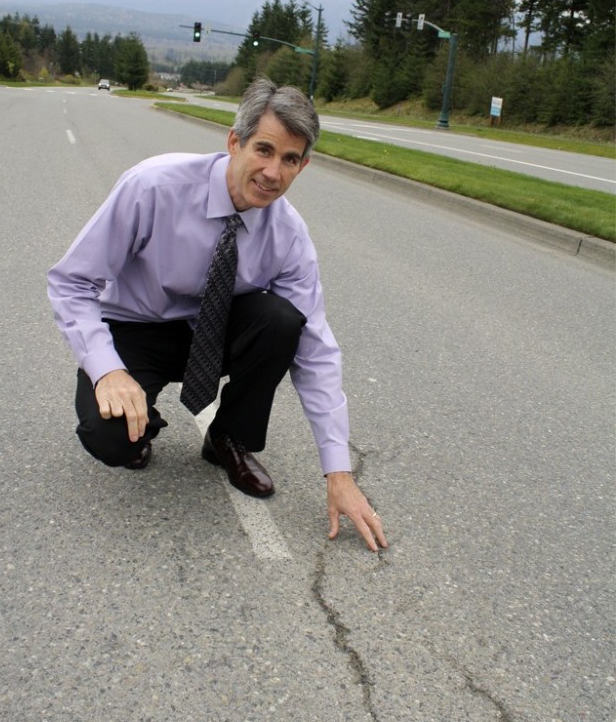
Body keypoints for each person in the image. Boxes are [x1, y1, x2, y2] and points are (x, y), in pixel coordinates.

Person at [47, 78, 387, 552]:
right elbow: (72, 282)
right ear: (234, 141)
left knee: (283, 320)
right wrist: (107, 371)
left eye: (290, 159)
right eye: (264, 150)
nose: (273, 172)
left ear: (303, 165)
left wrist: (339, 472)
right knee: (111, 441)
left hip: (212, 332)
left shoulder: (287, 233)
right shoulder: (153, 186)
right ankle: (140, 422)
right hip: (136, 328)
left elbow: (316, 350)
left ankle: (226, 439)